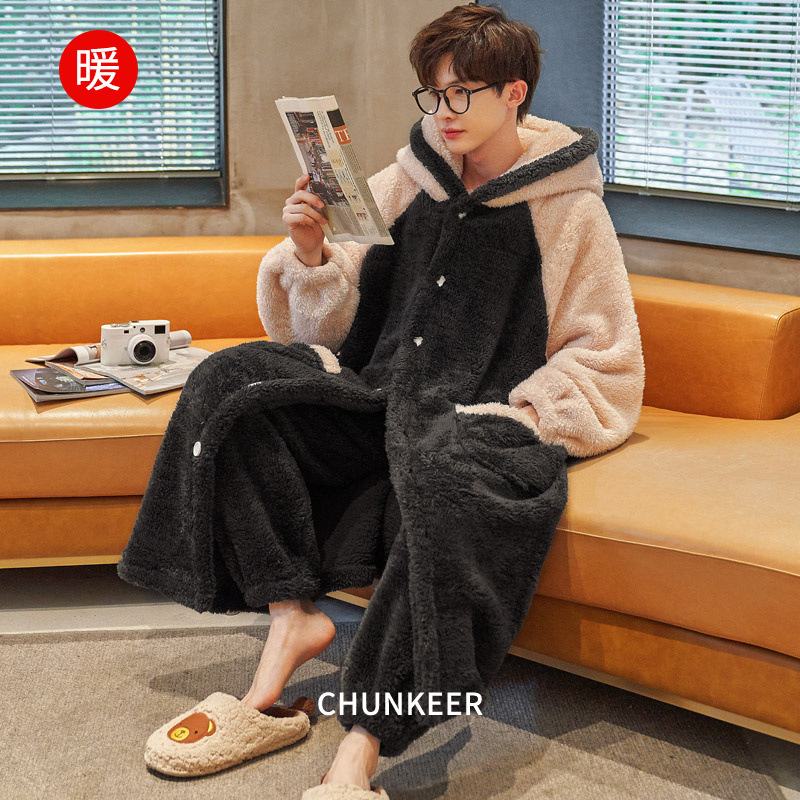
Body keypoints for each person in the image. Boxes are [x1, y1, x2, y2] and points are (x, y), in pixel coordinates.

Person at [117, 4, 644, 798]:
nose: (444, 112)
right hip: (377, 395)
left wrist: (516, 419)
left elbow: (606, 359)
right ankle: (293, 621)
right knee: (231, 382)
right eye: (433, 94)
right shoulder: (406, 182)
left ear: (515, 93)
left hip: (481, 422)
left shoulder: (568, 211)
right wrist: (311, 255)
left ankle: (361, 750)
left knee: (444, 473)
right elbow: (334, 324)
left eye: (462, 93)